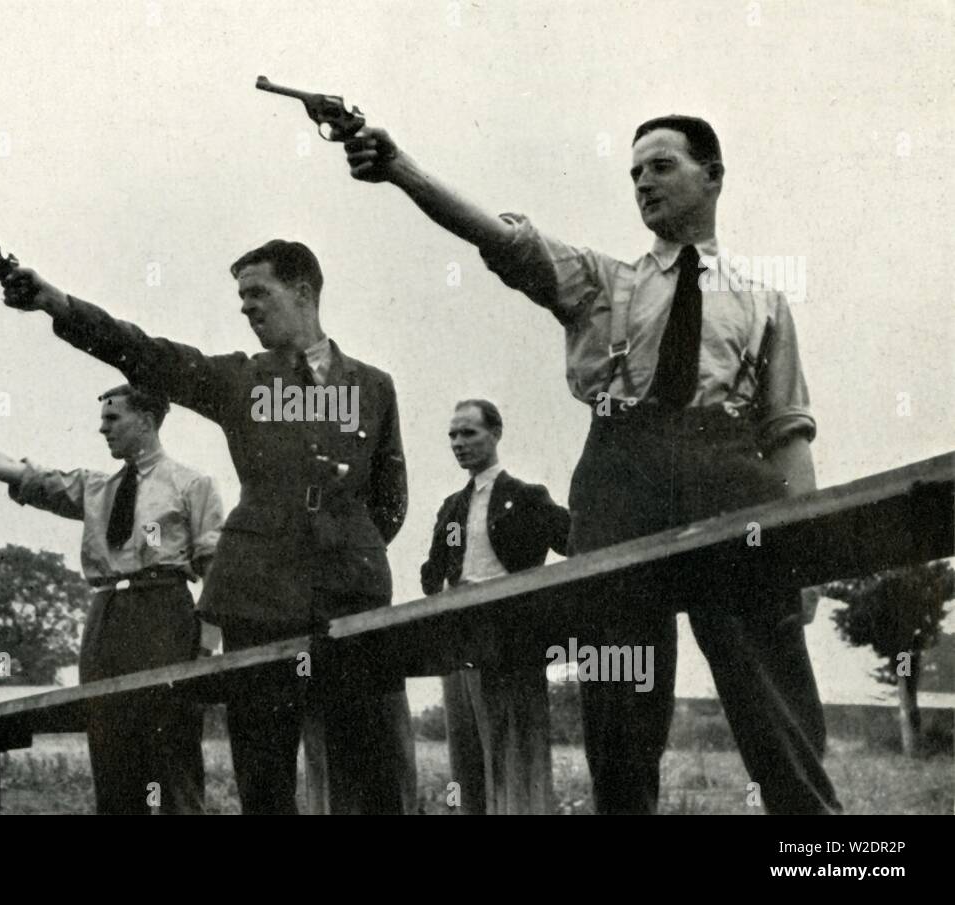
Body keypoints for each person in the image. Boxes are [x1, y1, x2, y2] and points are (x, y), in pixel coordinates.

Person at [342, 115, 841, 814]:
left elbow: (788, 433)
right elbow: (503, 239)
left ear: (713, 175)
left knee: (775, 702)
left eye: (661, 166)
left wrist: (803, 551)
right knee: (619, 705)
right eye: (634, 171)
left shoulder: (764, 301)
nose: (642, 181)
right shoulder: (604, 283)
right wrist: (400, 168)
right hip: (620, 480)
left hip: (734, 482)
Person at [0, 239, 417, 815]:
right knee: (266, 778)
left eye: (258, 293)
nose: (246, 308)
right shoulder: (238, 380)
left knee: (369, 770)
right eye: (241, 297)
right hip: (260, 603)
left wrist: (350, 550)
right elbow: (145, 353)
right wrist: (58, 305)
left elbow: (390, 499)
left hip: (354, 598)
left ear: (303, 291)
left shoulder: (373, 386)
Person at [0, 383, 222, 815]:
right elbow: (10, 470)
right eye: (102, 419)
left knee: (171, 754)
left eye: (112, 418)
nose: (102, 428)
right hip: (104, 621)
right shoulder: (95, 489)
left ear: (147, 420)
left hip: (164, 617)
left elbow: (216, 570)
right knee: (112, 757)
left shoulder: (193, 484)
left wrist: (207, 647)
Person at [421, 398, 569, 815]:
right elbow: (432, 572)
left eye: (469, 432)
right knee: (467, 763)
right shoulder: (452, 508)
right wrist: (446, 590)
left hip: (513, 638)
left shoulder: (525, 497)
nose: (458, 442)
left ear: (495, 433)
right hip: (459, 643)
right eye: (452, 434)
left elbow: (575, 539)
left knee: (516, 755)